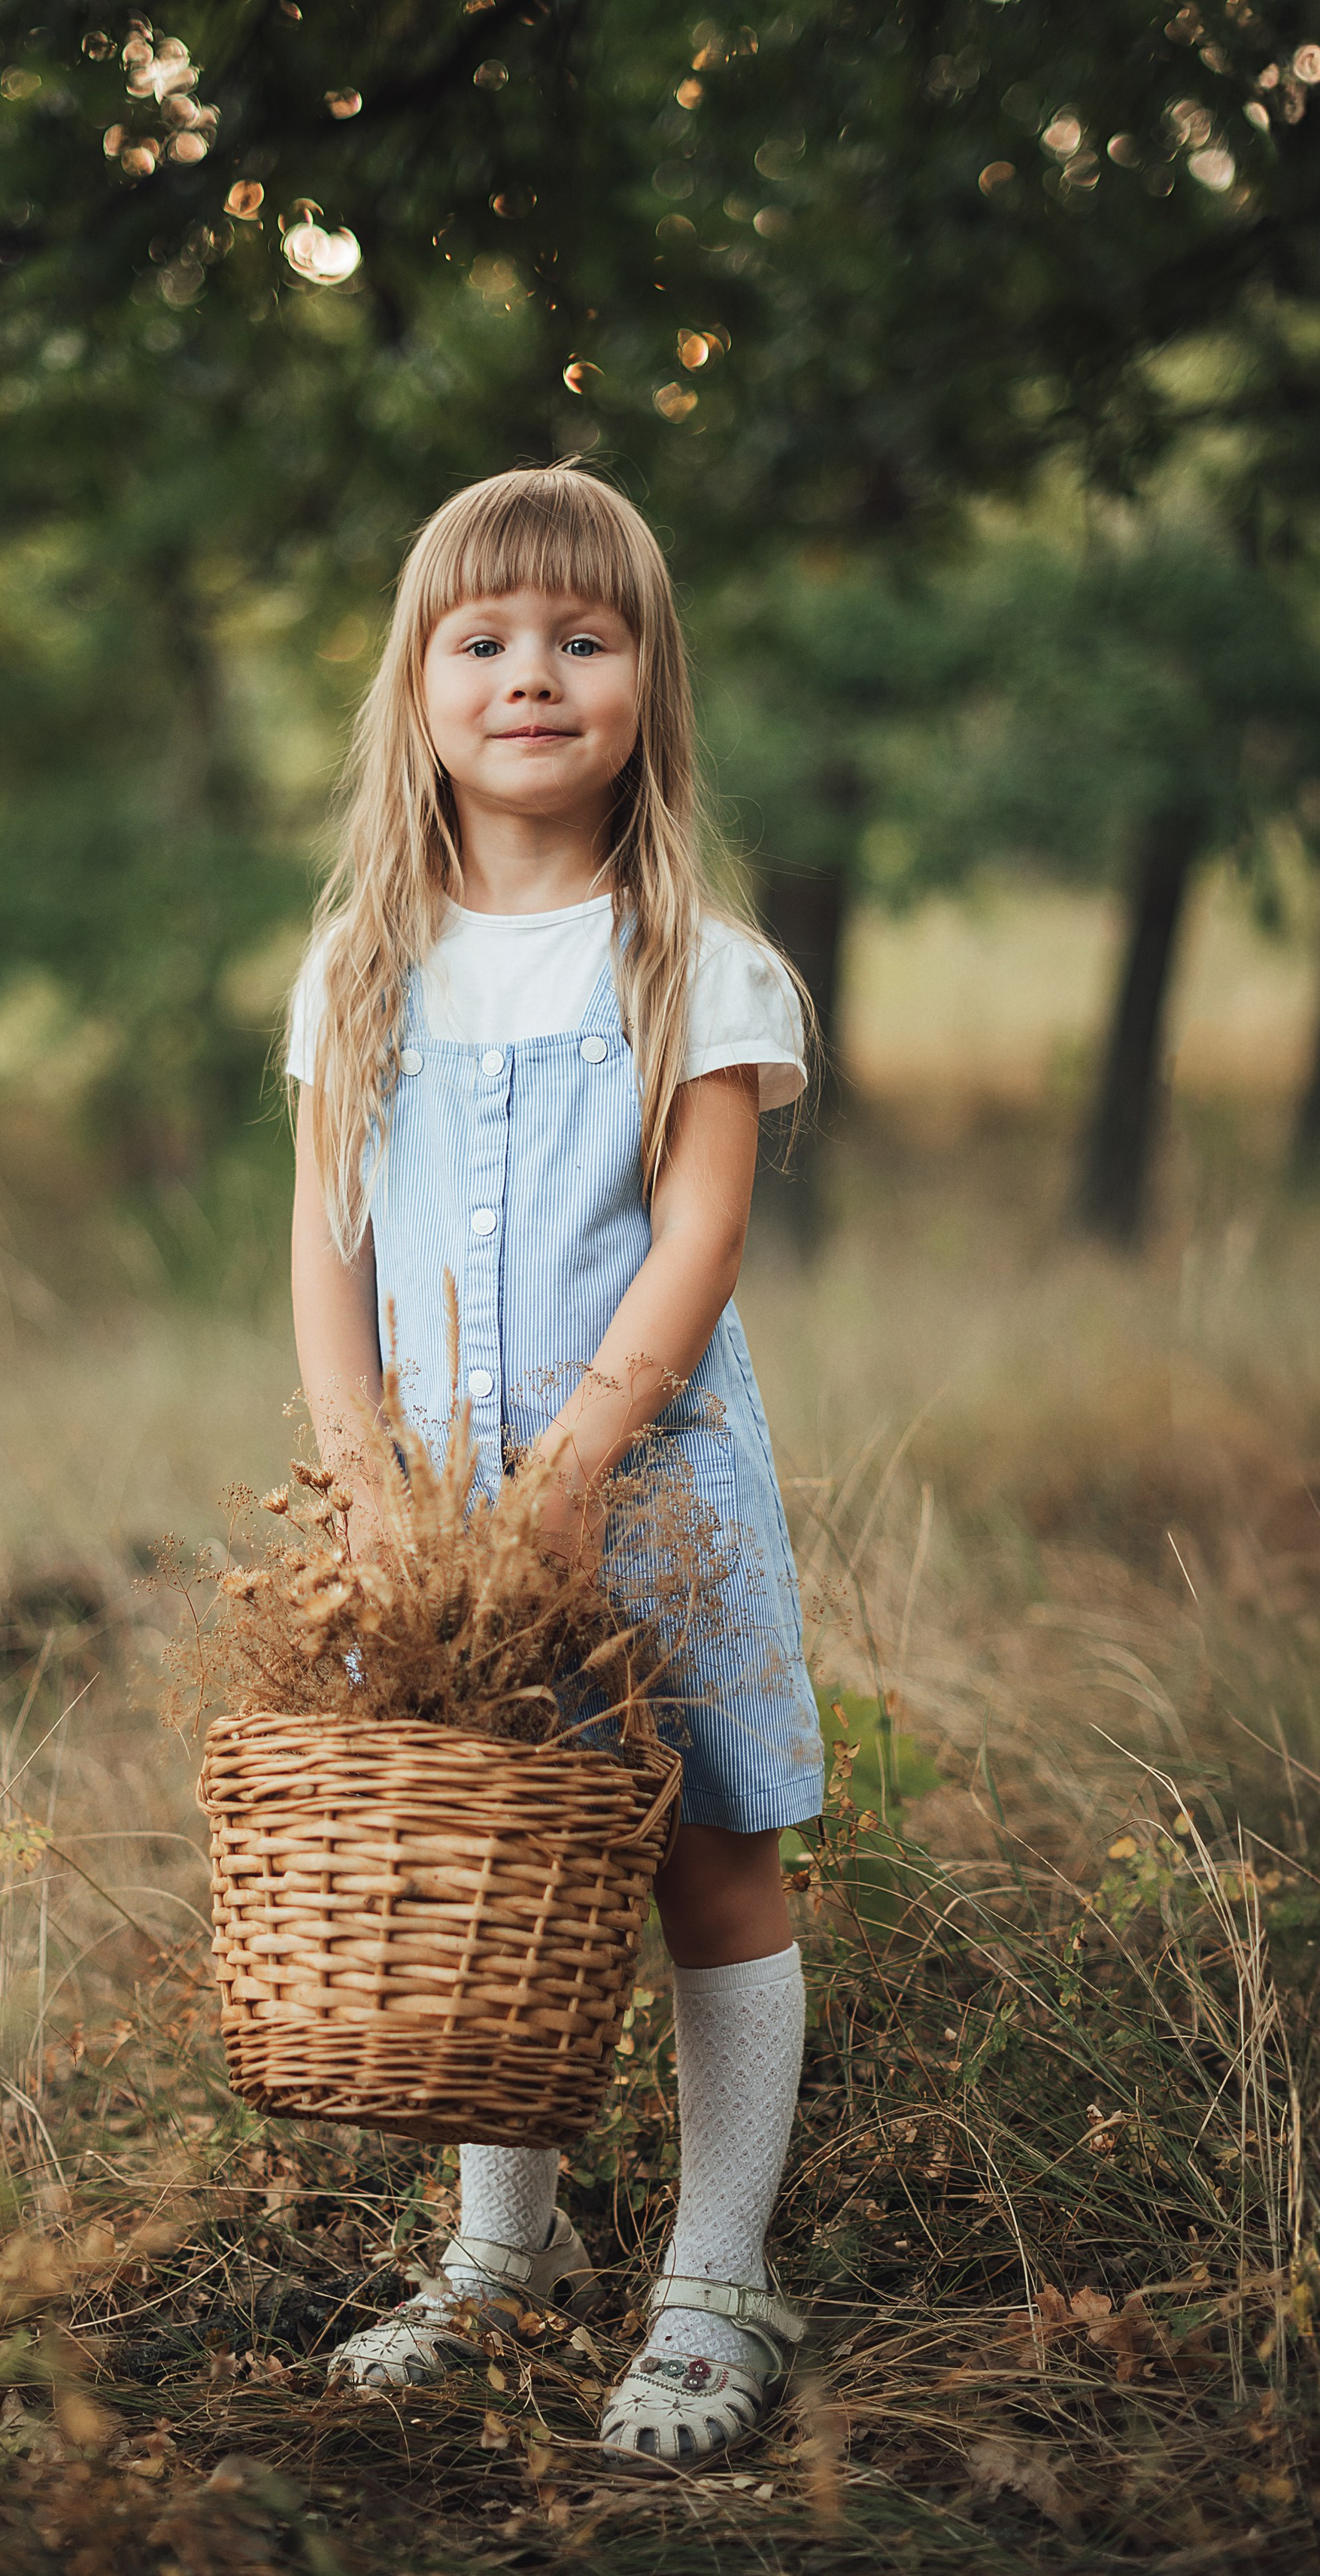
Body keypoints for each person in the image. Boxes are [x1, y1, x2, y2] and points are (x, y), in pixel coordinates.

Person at [284, 462, 824, 2469]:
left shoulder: (698, 956)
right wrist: (368, 1483)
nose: (534, 673)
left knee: (706, 1852)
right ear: (419, 686)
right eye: (487, 637)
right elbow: (323, 1246)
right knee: (489, 1854)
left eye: (583, 639)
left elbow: (699, 1235)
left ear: (646, 684)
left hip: (657, 1499)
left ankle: (715, 2278)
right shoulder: (363, 957)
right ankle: (496, 2245)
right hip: (436, 1522)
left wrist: (588, 1449)